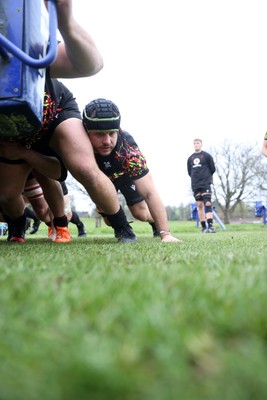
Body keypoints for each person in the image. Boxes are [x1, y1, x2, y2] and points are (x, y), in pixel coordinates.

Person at [0, 0, 135, 244]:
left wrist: (66, 24)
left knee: (84, 167)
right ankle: (18, 222)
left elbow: (89, 64)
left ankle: (121, 225)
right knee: (8, 195)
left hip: (54, 113)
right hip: (10, 128)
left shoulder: (14, 38)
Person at [82, 98, 181, 243]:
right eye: (99, 134)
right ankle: (121, 226)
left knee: (140, 213)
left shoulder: (128, 149)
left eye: (111, 133)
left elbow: (149, 192)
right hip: (100, 179)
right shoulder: (78, 143)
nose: (107, 141)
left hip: (124, 175)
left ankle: (154, 222)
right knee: (109, 221)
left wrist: (165, 234)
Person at [187, 138, 216, 233]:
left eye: (198, 143)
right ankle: (203, 227)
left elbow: (212, 169)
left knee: (207, 203)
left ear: (201, 144)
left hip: (205, 183)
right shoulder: (190, 158)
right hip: (195, 185)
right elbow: (189, 172)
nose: (196, 145)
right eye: (194, 143)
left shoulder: (206, 156)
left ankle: (210, 226)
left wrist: (206, 178)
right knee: (199, 205)